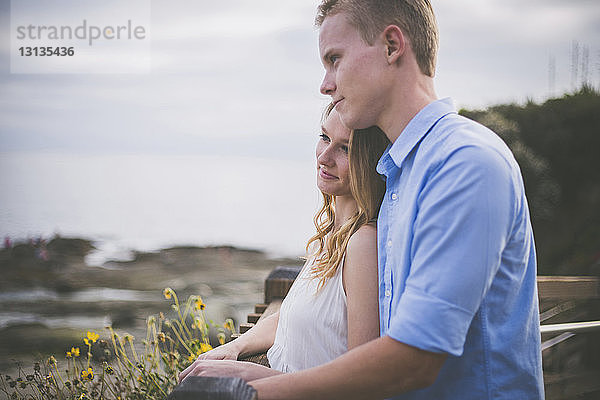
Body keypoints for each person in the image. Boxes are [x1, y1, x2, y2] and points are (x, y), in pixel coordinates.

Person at [246, 1, 545, 399]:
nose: (326, 83)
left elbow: (415, 358)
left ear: (391, 46)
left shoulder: (465, 163)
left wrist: (247, 392)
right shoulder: (399, 174)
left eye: (335, 59)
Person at [179, 105, 390, 382]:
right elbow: (289, 317)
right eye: (325, 137)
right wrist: (234, 347)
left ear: (372, 161)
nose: (324, 157)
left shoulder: (362, 244)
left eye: (346, 149)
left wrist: (250, 373)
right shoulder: (332, 234)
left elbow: (361, 381)